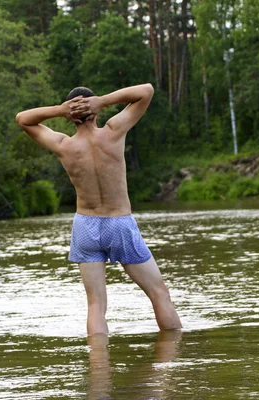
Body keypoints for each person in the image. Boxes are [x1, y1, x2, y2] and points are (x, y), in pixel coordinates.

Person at [16, 83, 182, 336]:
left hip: (85, 225)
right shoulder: (114, 132)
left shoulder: (64, 145)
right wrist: (102, 101)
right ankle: (175, 357)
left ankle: (99, 372)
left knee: (95, 305)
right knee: (159, 293)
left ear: (71, 117)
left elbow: (23, 119)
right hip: (119, 222)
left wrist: (60, 110)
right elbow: (146, 90)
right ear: (95, 112)